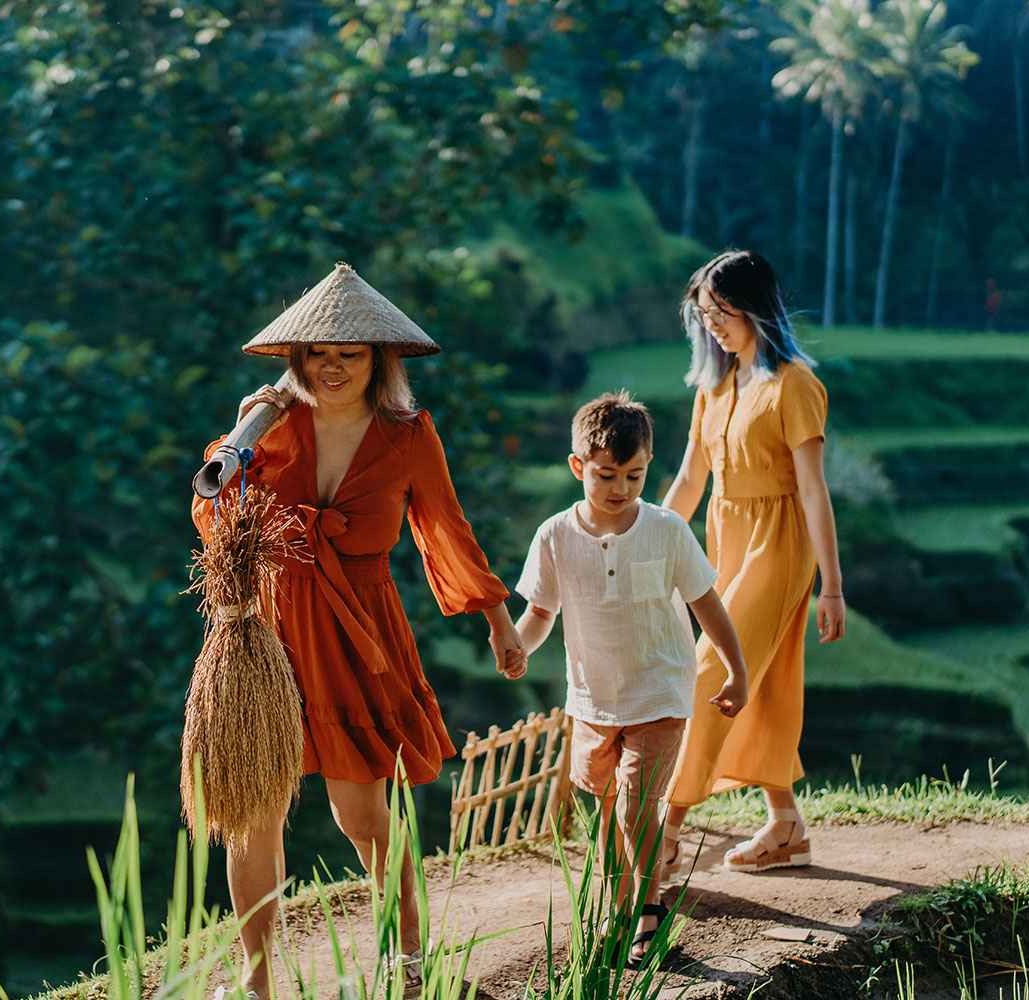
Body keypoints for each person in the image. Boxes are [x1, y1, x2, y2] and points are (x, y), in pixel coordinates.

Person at [191, 264, 527, 1000]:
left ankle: (408, 963)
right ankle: (255, 983)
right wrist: (245, 424)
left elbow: (448, 529)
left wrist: (496, 616)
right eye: (317, 351)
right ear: (296, 359)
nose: (332, 364)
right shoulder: (265, 430)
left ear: (382, 358)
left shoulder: (408, 437)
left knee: (362, 815)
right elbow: (213, 517)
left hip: (357, 632)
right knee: (253, 814)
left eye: (351, 350)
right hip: (265, 636)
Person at [510, 391, 749, 965]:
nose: (620, 489)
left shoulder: (666, 530)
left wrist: (737, 670)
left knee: (636, 808)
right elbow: (541, 612)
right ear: (578, 468)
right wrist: (518, 645)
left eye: (635, 476)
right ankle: (622, 899)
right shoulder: (554, 536)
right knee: (603, 805)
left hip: (659, 691)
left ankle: (646, 909)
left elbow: (706, 603)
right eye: (607, 475)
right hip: (592, 699)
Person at [658, 249, 846, 879]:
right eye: (704, 314)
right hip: (725, 538)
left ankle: (666, 827)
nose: (712, 324)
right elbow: (689, 479)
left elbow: (815, 490)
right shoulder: (713, 388)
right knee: (759, 682)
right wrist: (646, 541)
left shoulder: (795, 385)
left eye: (722, 311)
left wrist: (833, 588)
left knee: (712, 669)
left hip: (780, 543)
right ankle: (786, 825)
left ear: (755, 307)